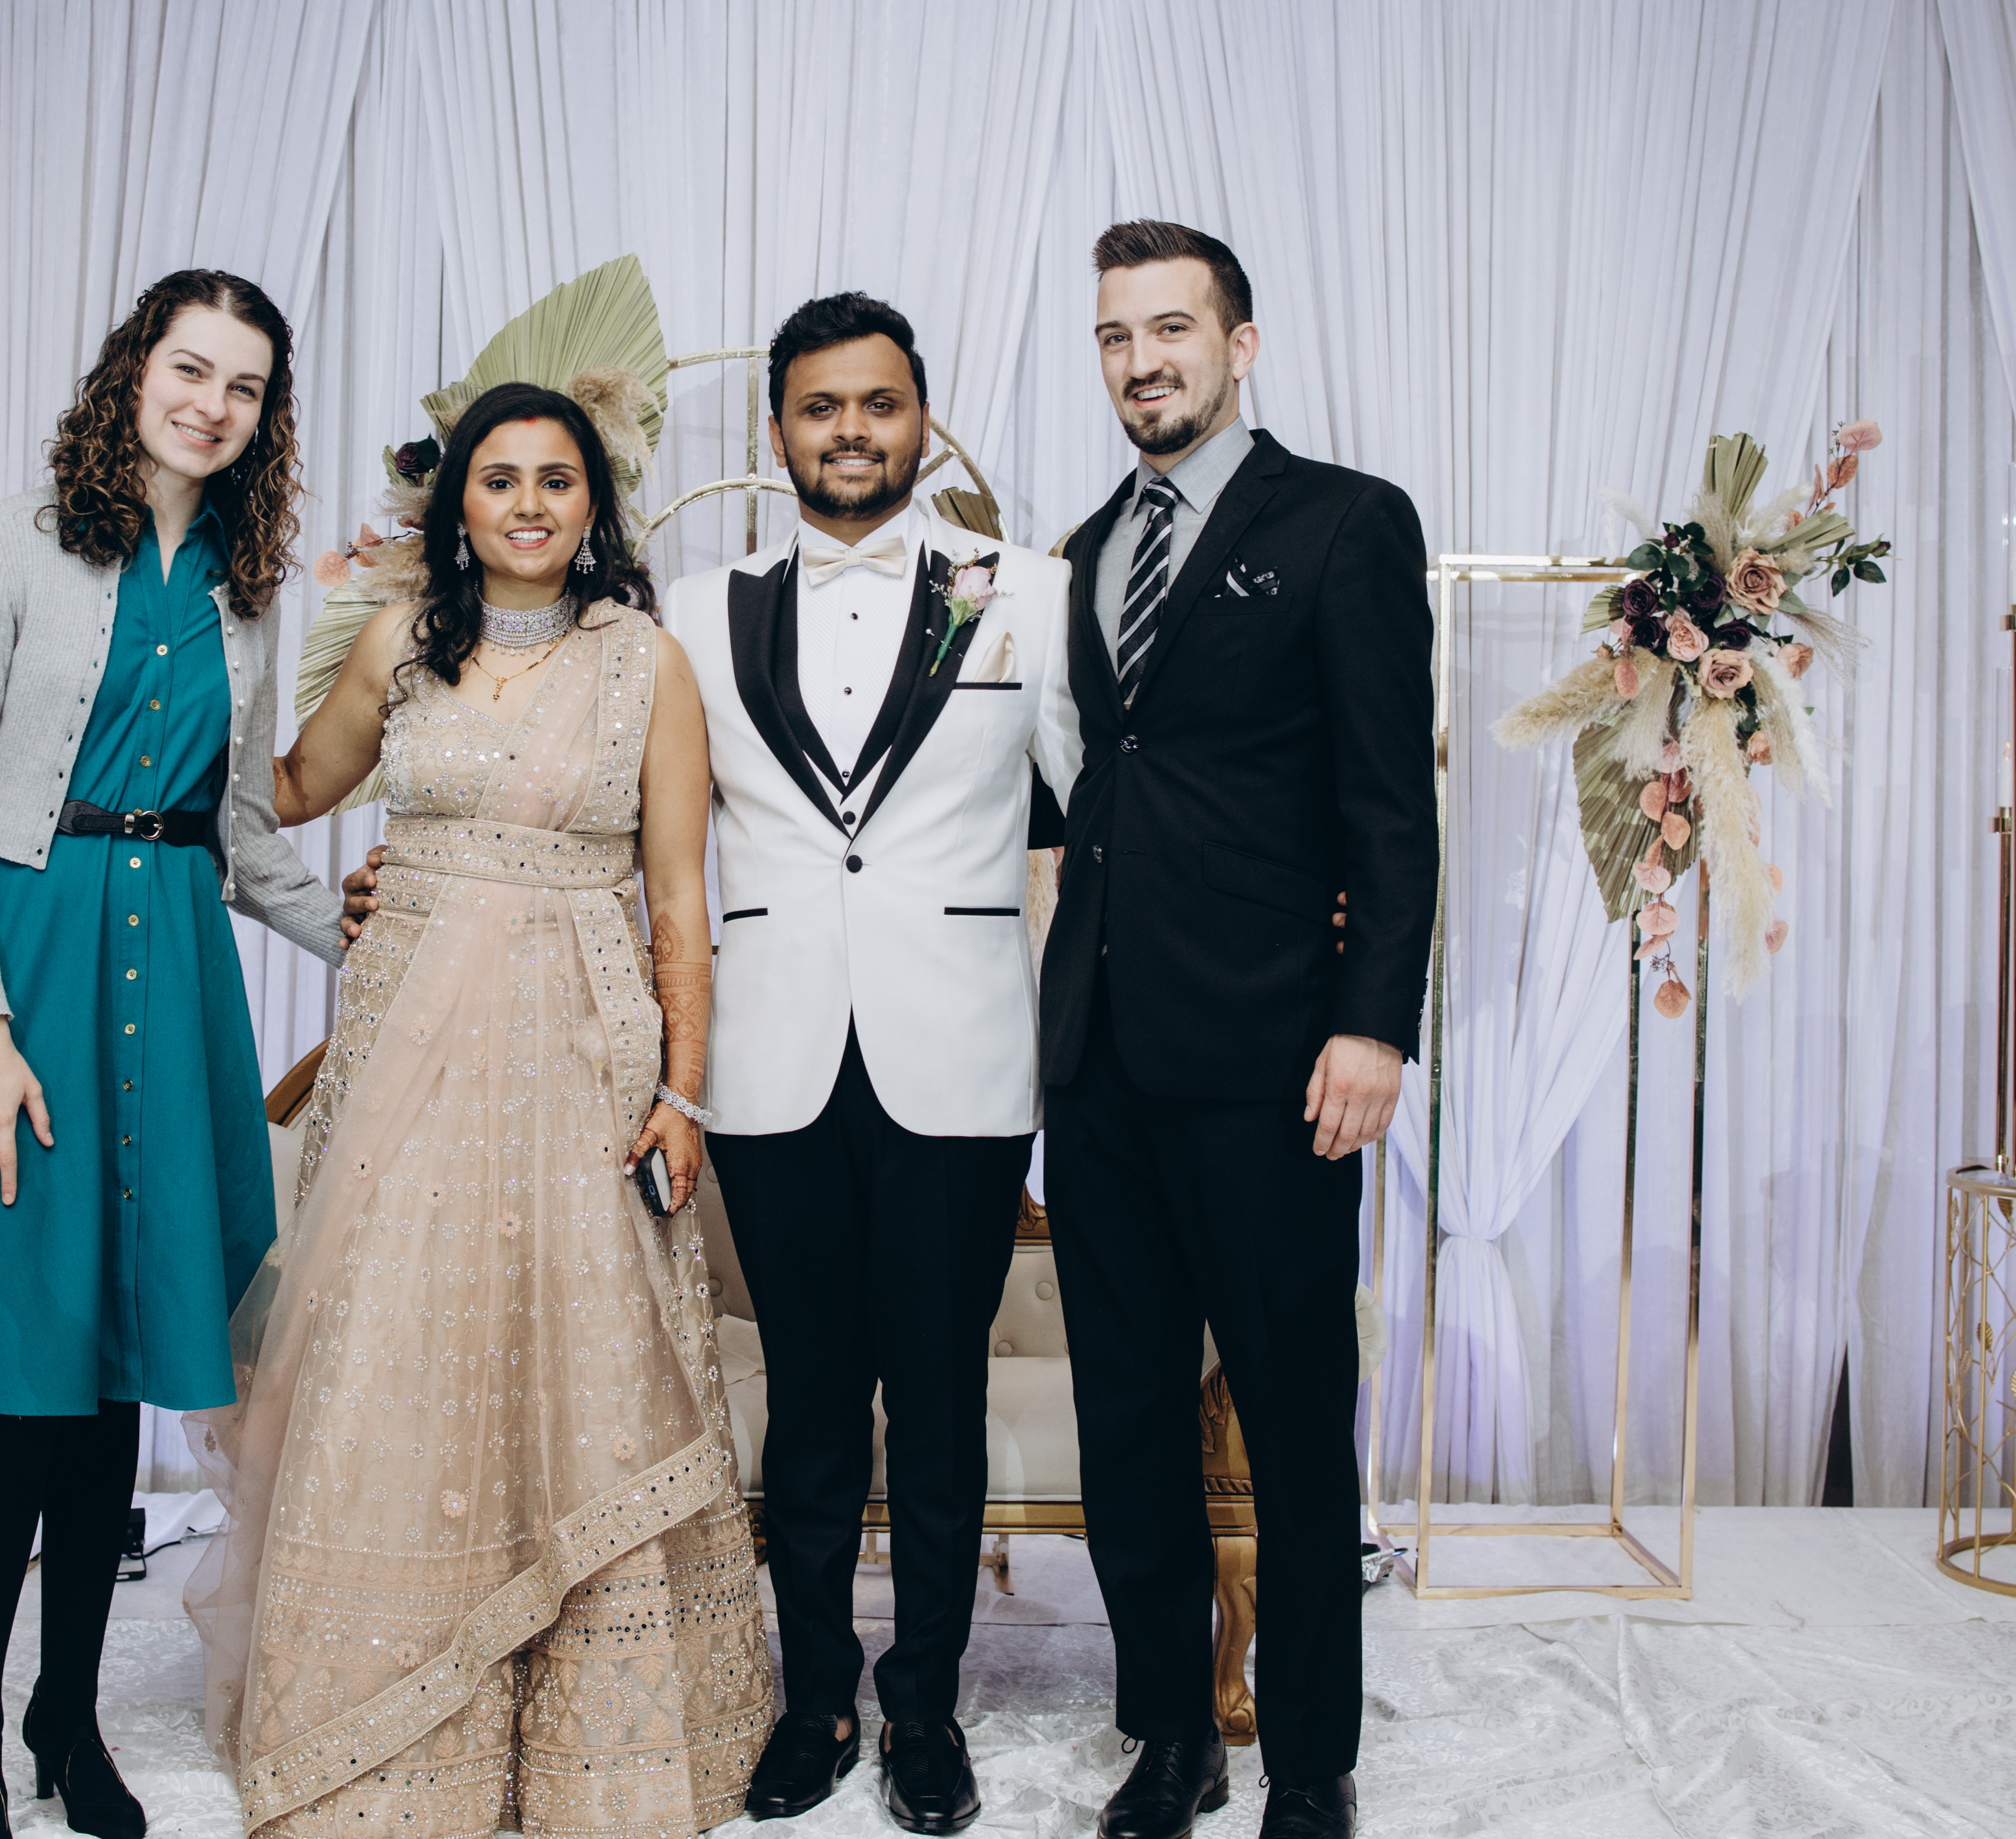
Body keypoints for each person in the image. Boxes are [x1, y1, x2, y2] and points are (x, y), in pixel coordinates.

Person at [186, 381, 770, 1839]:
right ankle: (390, 1714)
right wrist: (205, 674)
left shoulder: (645, 662)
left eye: (555, 481)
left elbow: (680, 899)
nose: (526, 505)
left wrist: (681, 1089)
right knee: (395, 1338)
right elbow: (284, 792)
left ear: (593, 505)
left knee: (584, 1346)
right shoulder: (400, 642)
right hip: (408, 1052)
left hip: (580, 1049)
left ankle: (590, 1733)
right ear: (456, 504)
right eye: (497, 479)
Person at [0, 270, 348, 1839]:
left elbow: (241, 838)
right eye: (190, 368)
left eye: (243, 386)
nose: (211, 403)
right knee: (18, 1384)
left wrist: (391, 939)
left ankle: (69, 1714)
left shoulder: (248, 589)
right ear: (135, 371)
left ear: (265, 416)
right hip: (24, 982)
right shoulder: (11, 541)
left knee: (113, 1371)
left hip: (172, 985)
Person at [654, 291, 1082, 1835]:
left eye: (878, 403)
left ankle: (926, 1708)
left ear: (921, 421)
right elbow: (641, 833)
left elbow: (1110, 814)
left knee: (940, 1399)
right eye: (821, 406)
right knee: (814, 1401)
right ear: (776, 428)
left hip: (958, 1056)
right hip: (769, 1057)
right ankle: (814, 1697)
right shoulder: (692, 611)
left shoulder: (1023, 594)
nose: (850, 430)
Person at [1040, 223, 1433, 1839]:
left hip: (1276, 1062)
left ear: (1239, 343)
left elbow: (1390, 808)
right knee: (1126, 1419)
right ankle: (1168, 1736)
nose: (1141, 360)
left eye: (1170, 328)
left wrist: (1372, 1027)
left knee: (1288, 1421)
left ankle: (1310, 1757)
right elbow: (1093, 789)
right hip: (1100, 1057)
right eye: (1114, 335)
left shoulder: (1342, 521)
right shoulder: (1079, 551)